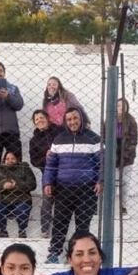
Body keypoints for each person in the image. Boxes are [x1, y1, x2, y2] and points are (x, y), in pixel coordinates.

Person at [43, 108, 103, 264]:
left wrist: (100, 180)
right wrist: (48, 182)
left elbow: (103, 164)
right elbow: (51, 165)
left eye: (75, 118)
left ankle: (79, 255)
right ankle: (54, 253)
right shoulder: (59, 139)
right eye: (69, 119)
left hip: (87, 190)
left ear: (81, 119)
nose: (72, 122)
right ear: (65, 121)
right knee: (60, 222)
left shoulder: (94, 139)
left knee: (83, 225)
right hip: (64, 189)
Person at [29, 109, 62, 238]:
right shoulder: (34, 140)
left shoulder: (59, 132)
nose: (39, 121)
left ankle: (59, 229)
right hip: (47, 173)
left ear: (47, 118)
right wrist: (46, 157)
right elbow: (34, 160)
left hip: (63, 170)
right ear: (34, 123)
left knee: (62, 202)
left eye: (41, 118)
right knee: (47, 202)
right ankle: (45, 230)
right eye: (36, 119)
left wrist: (55, 154)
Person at [0, 151, 36, 238]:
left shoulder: (24, 167)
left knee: (22, 210)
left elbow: (32, 184)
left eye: (12, 158)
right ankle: (3, 231)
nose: (10, 161)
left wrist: (16, 185)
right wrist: (3, 186)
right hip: (2, 199)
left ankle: (22, 230)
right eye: (7, 159)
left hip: (21, 199)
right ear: (4, 161)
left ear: (17, 160)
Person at [115, 98, 137, 216]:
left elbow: (133, 141)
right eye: (118, 106)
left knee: (125, 182)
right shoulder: (109, 120)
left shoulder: (131, 121)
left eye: (123, 106)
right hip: (113, 154)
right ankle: (110, 206)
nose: (121, 108)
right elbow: (104, 137)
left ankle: (123, 206)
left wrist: (127, 155)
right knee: (112, 181)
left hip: (126, 155)